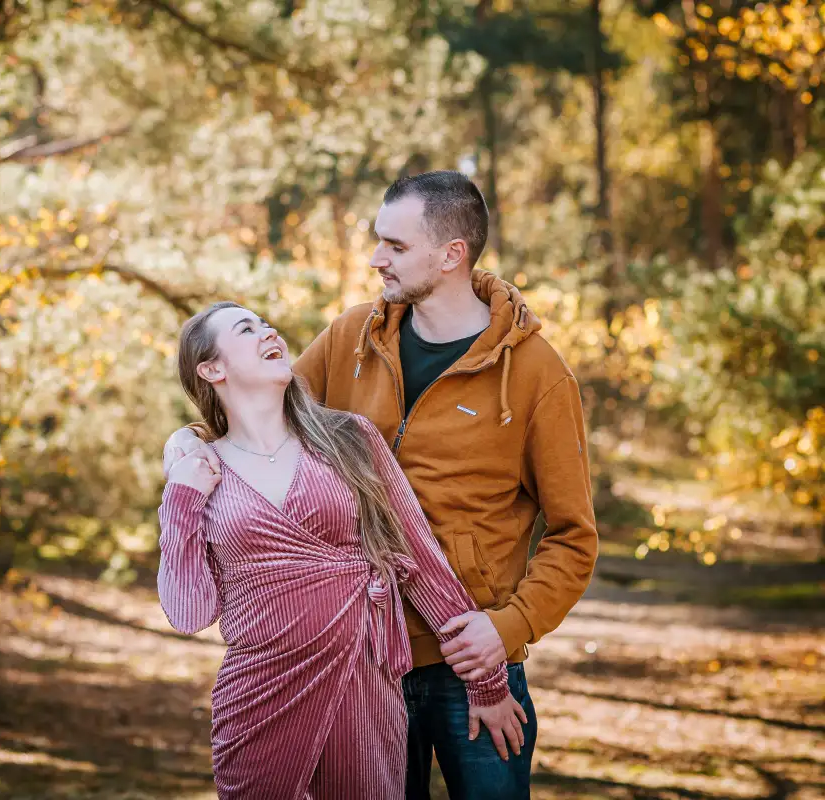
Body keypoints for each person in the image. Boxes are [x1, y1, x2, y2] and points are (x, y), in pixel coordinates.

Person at [165, 171, 598, 799]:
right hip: (363, 658)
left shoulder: (536, 375)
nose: (376, 259)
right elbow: (250, 415)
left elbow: (573, 537)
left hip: (465, 655)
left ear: (451, 254)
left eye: (394, 246)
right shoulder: (351, 338)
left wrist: (508, 630)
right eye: (378, 241)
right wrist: (183, 446)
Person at [159, 300, 526, 799]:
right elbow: (189, 612)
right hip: (258, 704)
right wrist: (181, 498)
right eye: (247, 329)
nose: (270, 332)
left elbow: (419, 561)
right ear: (212, 368)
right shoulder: (200, 471)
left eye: (268, 323)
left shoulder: (348, 439)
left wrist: (487, 683)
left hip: (364, 687)